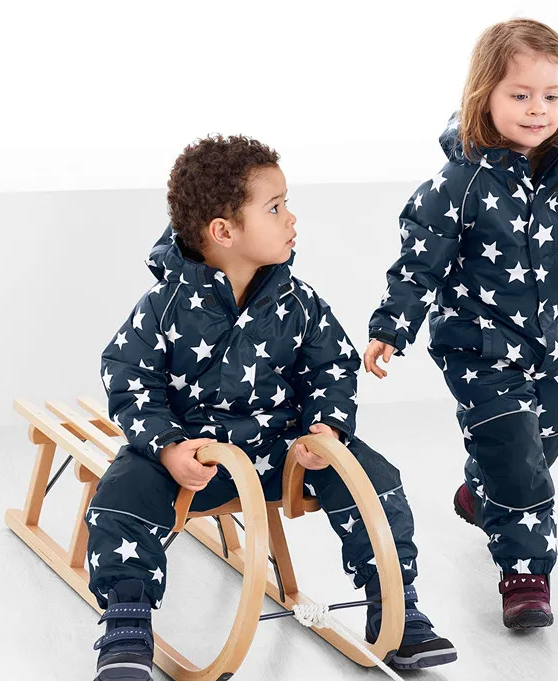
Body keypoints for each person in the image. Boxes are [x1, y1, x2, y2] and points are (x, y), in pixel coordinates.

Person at [87, 134, 457, 680]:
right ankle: (126, 618)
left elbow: (332, 367)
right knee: (122, 491)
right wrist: (167, 448)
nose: (292, 218)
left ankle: (397, 607)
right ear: (224, 232)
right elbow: (129, 378)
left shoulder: (298, 302)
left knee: (373, 479)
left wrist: (326, 429)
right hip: (193, 458)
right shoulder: (164, 307)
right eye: (275, 208)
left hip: (284, 454)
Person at [365, 18, 558, 630]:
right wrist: (391, 326)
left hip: (555, 346)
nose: (537, 109)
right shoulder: (459, 183)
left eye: (551, 96)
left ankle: (481, 492)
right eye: (520, 95)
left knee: (543, 445)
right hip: (479, 350)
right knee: (518, 459)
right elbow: (418, 262)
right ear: (485, 96)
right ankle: (525, 575)